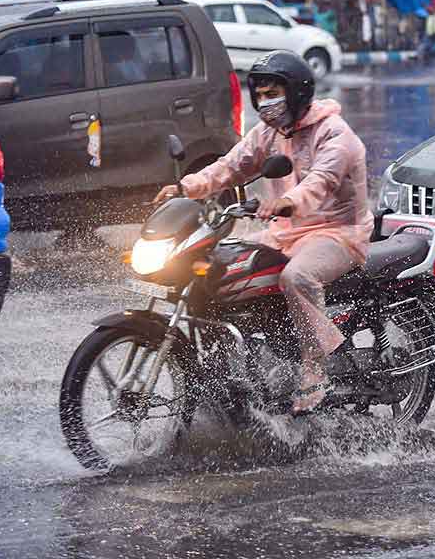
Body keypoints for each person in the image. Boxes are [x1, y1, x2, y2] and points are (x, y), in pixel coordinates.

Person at [154, 51, 373, 415]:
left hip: (337, 233)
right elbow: (231, 166)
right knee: (219, 266)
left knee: (297, 276)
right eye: (260, 94)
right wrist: (186, 187)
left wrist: (287, 202)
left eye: (273, 93)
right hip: (286, 233)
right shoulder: (269, 133)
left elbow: (322, 180)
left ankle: (315, 369)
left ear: (297, 93)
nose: (264, 102)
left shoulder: (336, 134)